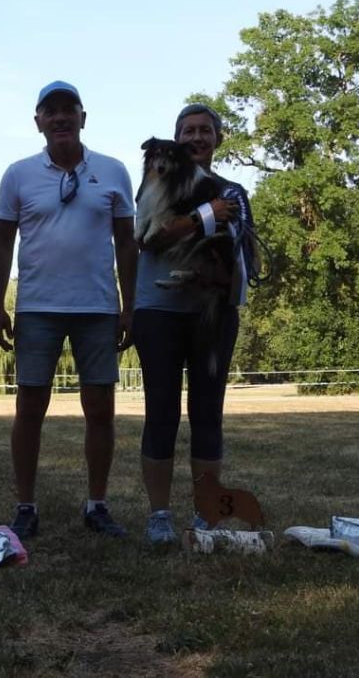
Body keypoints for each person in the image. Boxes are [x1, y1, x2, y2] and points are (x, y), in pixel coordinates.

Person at [0, 81, 137, 539]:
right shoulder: (18, 174)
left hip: (97, 308)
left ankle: (97, 505)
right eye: (49, 112)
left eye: (67, 110)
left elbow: (127, 245)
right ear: (38, 122)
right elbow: (1, 243)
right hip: (37, 308)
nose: (59, 118)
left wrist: (129, 306)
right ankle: (25, 506)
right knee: (29, 409)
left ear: (83, 118)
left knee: (101, 410)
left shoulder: (113, 171)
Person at [133, 102, 255, 546]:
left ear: (218, 138)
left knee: (207, 413)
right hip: (157, 311)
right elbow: (150, 237)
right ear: (176, 139)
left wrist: (204, 240)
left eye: (205, 130)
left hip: (214, 312)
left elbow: (240, 259)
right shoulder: (154, 180)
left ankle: (207, 511)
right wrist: (205, 216)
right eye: (188, 131)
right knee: (160, 412)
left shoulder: (234, 192)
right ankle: (159, 515)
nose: (197, 138)